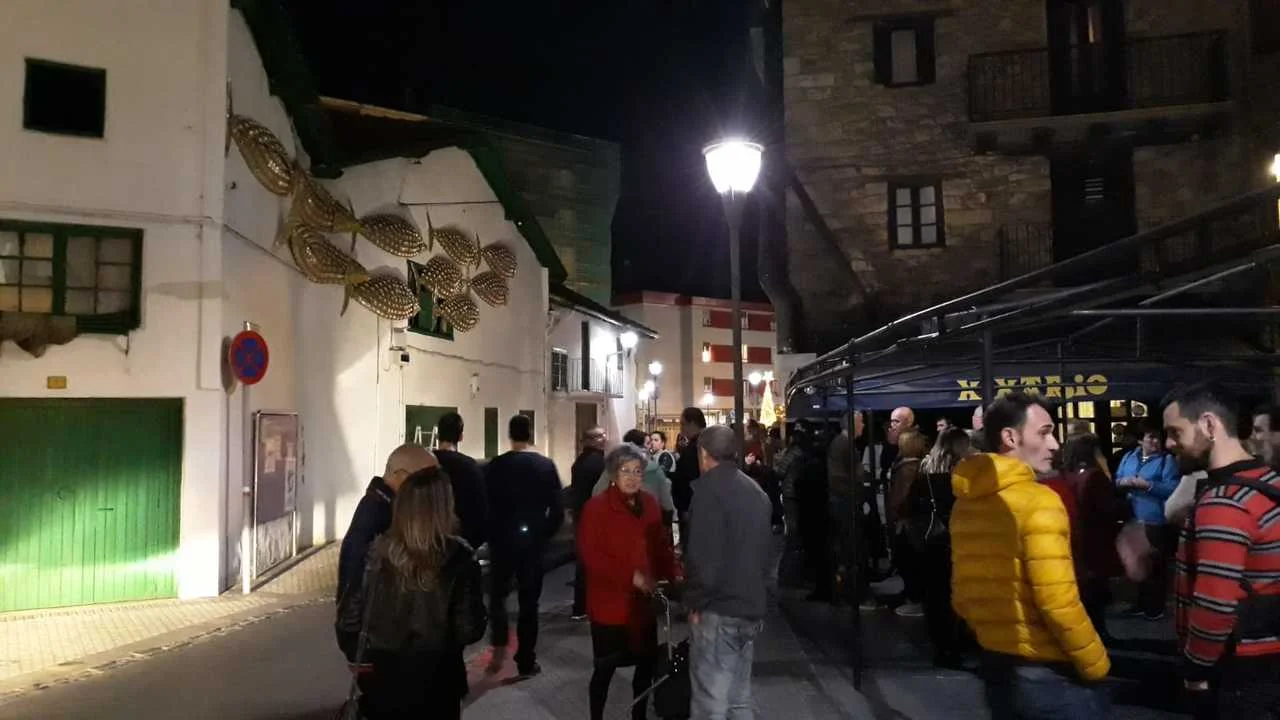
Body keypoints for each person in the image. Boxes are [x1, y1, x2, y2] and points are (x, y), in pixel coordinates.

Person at [951, 392, 1110, 718]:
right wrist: (1096, 664)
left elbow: (962, 595)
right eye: (1044, 433)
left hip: (996, 663)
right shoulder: (1040, 501)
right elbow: (1058, 603)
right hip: (1049, 670)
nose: (1054, 444)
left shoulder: (966, 502)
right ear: (1010, 437)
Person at [1163, 383, 1280, 716]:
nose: (1169, 444)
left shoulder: (1224, 502)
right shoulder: (1269, 479)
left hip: (1238, 668)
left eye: (1175, 432)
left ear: (1209, 425)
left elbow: (1214, 602)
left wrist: (1195, 670)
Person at [335, 466, 487, 719]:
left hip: (383, 682)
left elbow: (348, 621)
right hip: (440, 684)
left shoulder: (376, 554)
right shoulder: (460, 558)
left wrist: (366, 661)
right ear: (444, 507)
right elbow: (469, 630)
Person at [579, 444, 676, 720]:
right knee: (604, 669)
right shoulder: (596, 508)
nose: (632, 478)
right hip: (609, 604)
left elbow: (660, 547)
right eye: (625, 471)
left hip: (642, 604)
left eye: (637, 471)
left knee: (645, 666)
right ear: (613, 475)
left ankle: (639, 715)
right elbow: (590, 555)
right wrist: (629, 575)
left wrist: (672, 575)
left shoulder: (650, 504)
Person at [685, 425, 772, 720]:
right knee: (739, 699)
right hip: (750, 606)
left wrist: (694, 602)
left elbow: (703, 559)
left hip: (718, 609)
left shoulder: (708, 492)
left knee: (711, 702)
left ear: (704, 454)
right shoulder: (755, 491)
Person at [483, 414, 565, 677]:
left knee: (497, 595)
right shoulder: (544, 466)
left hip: (501, 541)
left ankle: (498, 642)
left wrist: (492, 533)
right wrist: (543, 534)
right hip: (531, 544)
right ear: (530, 434)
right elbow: (558, 510)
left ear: (510, 435)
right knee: (529, 602)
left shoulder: (495, 466)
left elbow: (485, 505)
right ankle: (526, 659)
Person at [1042, 434, 1129, 641]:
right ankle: (1098, 634)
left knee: (1085, 591)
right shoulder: (1094, 476)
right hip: (1096, 539)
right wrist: (1125, 506)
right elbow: (1107, 508)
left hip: (1078, 540)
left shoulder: (1067, 475)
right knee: (1096, 591)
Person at [337, 444, 437, 602]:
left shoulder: (380, 507)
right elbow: (355, 581)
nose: (435, 490)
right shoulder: (381, 515)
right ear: (401, 475)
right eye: (427, 481)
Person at [914, 427, 971, 666]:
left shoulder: (926, 468)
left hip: (932, 535)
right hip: (958, 535)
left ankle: (941, 645)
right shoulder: (965, 470)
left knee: (936, 593)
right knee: (957, 590)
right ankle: (958, 643)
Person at [1114, 420, 1180, 620]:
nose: (1155, 442)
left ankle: (1155, 607)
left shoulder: (1166, 461)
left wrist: (1148, 485)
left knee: (1155, 566)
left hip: (1155, 520)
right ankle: (1140, 604)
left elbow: (1173, 489)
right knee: (1137, 563)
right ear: (1140, 440)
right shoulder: (1129, 457)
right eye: (1151, 438)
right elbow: (1117, 478)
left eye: (1158, 438)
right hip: (1133, 518)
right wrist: (1122, 482)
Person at [887, 429, 930, 618]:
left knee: (907, 559)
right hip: (911, 520)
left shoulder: (908, 468)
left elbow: (901, 498)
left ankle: (915, 599)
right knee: (909, 559)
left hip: (907, 522)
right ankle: (913, 596)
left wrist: (896, 512)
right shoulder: (915, 466)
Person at [593, 429, 676, 525]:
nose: (650, 446)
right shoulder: (655, 470)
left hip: (619, 522)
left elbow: (596, 493)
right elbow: (667, 504)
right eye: (648, 443)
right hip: (648, 523)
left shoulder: (613, 468)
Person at [433, 412, 489, 549]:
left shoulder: (424, 463)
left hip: (426, 541)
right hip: (462, 543)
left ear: (438, 435)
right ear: (460, 437)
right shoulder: (471, 467)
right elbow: (480, 509)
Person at [570, 427, 609, 620]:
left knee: (584, 561)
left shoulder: (580, 461)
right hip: (596, 517)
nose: (604, 439)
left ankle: (580, 605)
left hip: (581, 515)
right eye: (600, 436)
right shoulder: (599, 463)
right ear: (589, 440)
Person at [672, 407, 707, 552]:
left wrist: (686, 507)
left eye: (683, 424)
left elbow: (689, 478)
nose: (681, 429)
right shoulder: (705, 443)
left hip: (693, 510)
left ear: (692, 423)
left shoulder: (697, 447)